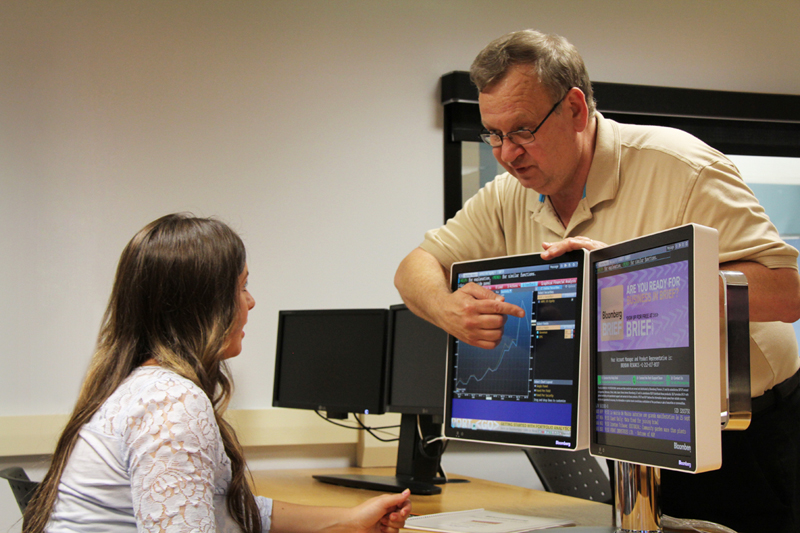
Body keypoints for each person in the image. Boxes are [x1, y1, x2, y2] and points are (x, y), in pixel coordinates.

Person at [395, 29, 800, 533]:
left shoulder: (681, 167)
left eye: (522, 130)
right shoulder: (507, 194)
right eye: (493, 134)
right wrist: (446, 308)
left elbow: (785, 292)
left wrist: (631, 278)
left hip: (743, 436)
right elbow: (415, 265)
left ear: (575, 109)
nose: (506, 153)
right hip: (630, 436)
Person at [24, 213, 412, 533]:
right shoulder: (172, 403)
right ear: (202, 307)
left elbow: (224, 510)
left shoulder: (140, 386)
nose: (251, 301)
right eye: (241, 287)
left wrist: (349, 519)